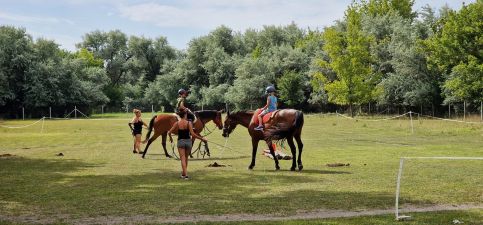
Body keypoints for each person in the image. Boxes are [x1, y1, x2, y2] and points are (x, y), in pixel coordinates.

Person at [168, 110, 207, 180]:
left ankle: (185, 175)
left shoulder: (177, 123)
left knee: (182, 158)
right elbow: (193, 134)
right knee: (186, 158)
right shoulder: (189, 123)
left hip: (180, 142)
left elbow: (169, 132)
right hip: (188, 142)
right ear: (185, 115)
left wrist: (170, 138)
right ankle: (184, 174)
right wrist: (202, 139)